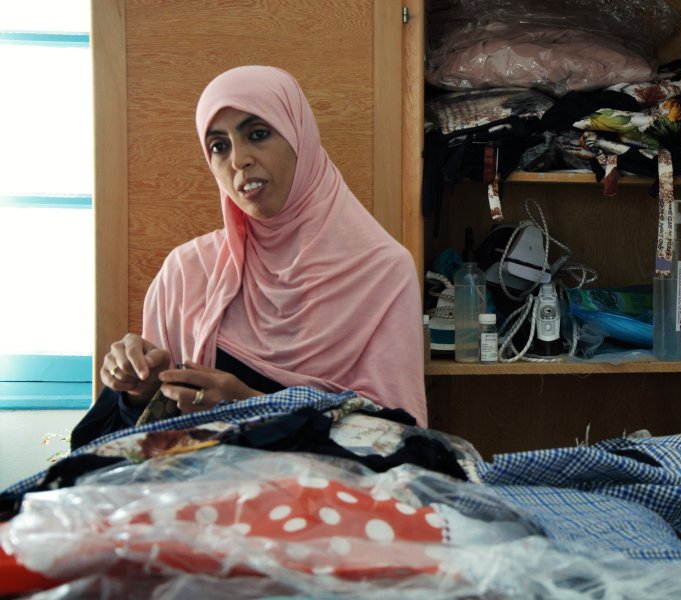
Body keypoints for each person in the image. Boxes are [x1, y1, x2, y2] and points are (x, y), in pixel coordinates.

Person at [71, 66, 427, 448]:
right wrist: (137, 391)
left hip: (327, 501)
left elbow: (401, 441)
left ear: (300, 138)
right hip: (206, 497)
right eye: (218, 146)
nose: (239, 159)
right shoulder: (188, 272)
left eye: (258, 134)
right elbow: (142, 448)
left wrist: (249, 404)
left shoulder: (382, 271)